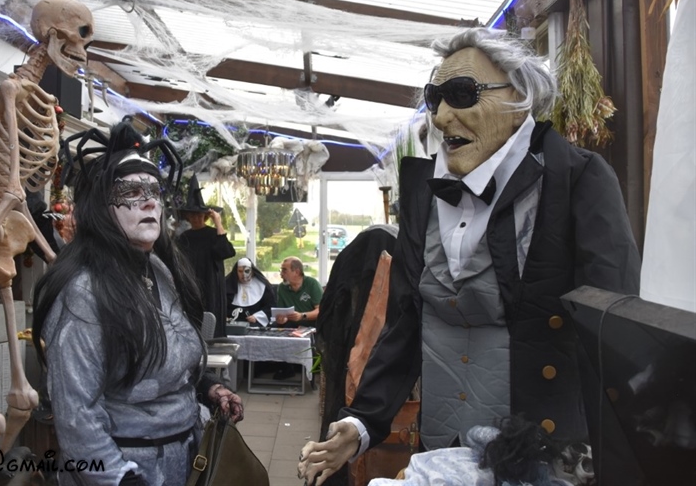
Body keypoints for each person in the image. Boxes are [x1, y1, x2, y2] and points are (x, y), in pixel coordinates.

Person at [298, 27, 641, 486]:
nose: (441, 117)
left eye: (462, 94)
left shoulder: (577, 180)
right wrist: (362, 422)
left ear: (519, 97)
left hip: (538, 460)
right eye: (434, 98)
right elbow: (406, 323)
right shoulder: (422, 192)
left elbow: (613, 336)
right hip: (439, 456)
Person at [32, 122, 243, 486]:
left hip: (186, 462)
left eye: (154, 191)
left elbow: (163, 362)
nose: (148, 201)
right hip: (126, 469)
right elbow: (76, 416)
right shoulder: (82, 291)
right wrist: (122, 480)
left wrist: (208, 387)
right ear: (102, 208)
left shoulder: (160, 270)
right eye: (130, 192)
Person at [176, 175, 236, 338]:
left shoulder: (214, 234)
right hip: (191, 287)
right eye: (192, 215)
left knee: (212, 328)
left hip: (211, 287)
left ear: (205, 216)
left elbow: (226, 252)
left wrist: (218, 223)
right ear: (187, 217)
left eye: (199, 215)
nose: (196, 218)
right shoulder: (183, 238)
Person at [225, 257, 273, 327]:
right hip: (232, 325)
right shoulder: (227, 285)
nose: (243, 274)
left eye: (247, 271)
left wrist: (257, 317)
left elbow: (270, 307)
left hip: (254, 325)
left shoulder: (262, 286)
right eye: (240, 271)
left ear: (252, 271)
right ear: (236, 272)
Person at [275, 256, 322, 327]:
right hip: (291, 327)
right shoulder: (282, 287)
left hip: (312, 326)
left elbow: (321, 311)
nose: (281, 274)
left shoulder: (312, 284)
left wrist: (301, 316)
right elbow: (281, 312)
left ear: (297, 272)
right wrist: (281, 320)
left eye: (284, 271)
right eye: (281, 270)